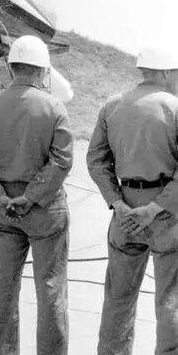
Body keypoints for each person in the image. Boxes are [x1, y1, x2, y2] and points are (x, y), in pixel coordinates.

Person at [0, 34, 73, 355]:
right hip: (45, 211)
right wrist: (31, 197)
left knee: (3, 289)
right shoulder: (54, 107)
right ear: (42, 70)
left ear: (11, 67)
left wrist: (0, 196)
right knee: (51, 289)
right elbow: (62, 160)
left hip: (3, 212)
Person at [87, 47, 178, 355]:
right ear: (166, 72)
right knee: (170, 300)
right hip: (166, 214)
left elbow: (96, 160)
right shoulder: (175, 107)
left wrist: (117, 203)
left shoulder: (112, 105)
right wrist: (154, 208)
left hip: (125, 212)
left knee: (118, 298)